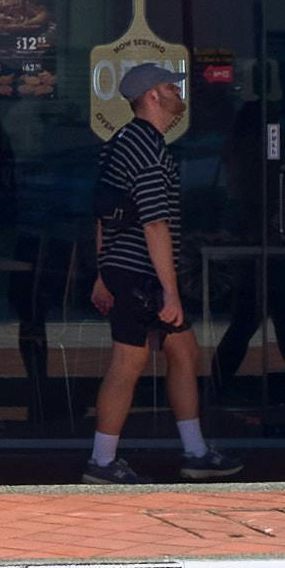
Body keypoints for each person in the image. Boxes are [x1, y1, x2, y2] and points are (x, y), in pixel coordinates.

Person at [85, 63, 234, 480]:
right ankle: (101, 461)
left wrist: (103, 271)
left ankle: (195, 451)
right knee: (127, 363)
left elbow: (102, 213)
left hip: (125, 268)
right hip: (142, 274)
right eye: (171, 86)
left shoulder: (120, 142)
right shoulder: (149, 149)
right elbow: (154, 223)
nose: (177, 93)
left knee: (183, 352)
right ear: (152, 95)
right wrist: (170, 290)